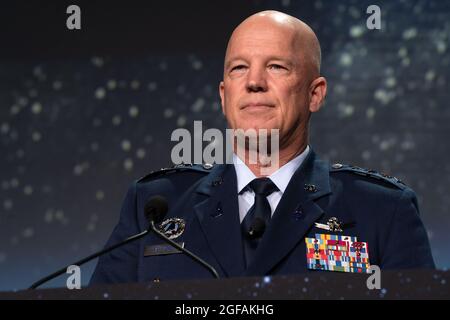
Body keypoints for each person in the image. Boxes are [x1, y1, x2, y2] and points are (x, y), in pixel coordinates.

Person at [90, 10, 434, 284]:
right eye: (240, 68)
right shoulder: (153, 208)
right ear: (225, 96)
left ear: (314, 94)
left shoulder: (382, 211)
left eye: (276, 66)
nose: (254, 82)